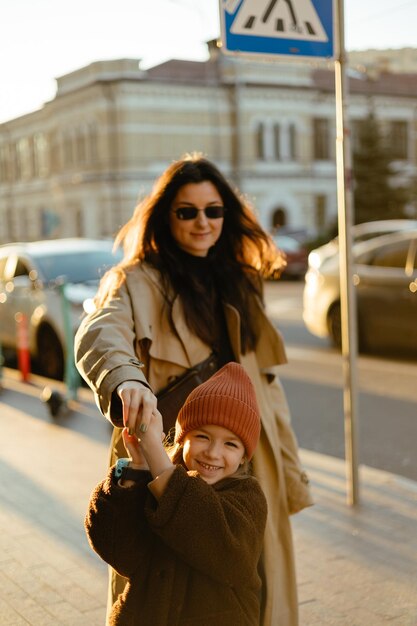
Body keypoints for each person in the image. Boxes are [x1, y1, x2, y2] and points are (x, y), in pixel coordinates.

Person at [75, 152, 313, 626]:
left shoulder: (241, 283)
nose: (202, 222)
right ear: (166, 217)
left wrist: (290, 473)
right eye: (187, 211)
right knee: (162, 589)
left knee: (252, 588)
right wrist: (125, 380)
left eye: (213, 210)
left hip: (245, 459)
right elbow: (99, 333)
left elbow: (269, 388)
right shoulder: (134, 281)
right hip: (170, 459)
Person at [85, 362, 268, 626]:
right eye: (203, 436)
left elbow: (219, 542)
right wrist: (137, 466)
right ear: (182, 439)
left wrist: (157, 458)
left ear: (242, 457)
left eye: (230, 443)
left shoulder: (248, 497)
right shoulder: (153, 482)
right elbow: (116, 549)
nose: (214, 453)